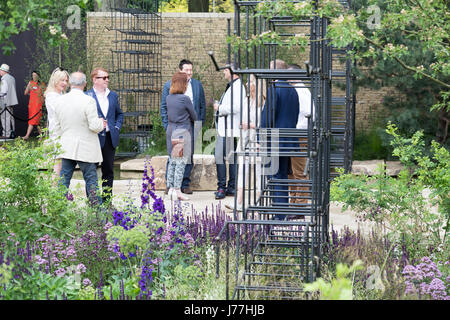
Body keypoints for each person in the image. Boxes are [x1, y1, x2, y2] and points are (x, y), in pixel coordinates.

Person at [53, 71, 107, 205]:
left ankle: (57, 209)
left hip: (67, 147)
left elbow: (56, 126)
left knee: (63, 181)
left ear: (70, 83)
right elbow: (94, 126)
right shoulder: (88, 101)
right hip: (86, 148)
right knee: (91, 181)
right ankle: (97, 213)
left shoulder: (60, 100)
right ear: (85, 84)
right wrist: (102, 123)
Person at [260, 59, 299, 220]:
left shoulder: (274, 88)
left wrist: (260, 136)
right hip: (289, 140)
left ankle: (279, 214)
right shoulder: (293, 90)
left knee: (275, 176)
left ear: (276, 71)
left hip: (275, 140)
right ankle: (282, 212)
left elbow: (268, 115)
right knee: (282, 175)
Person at [160, 59, 206, 195]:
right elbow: (163, 107)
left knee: (188, 156)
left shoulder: (197, 85)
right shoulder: (169, 86)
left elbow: (202, 105)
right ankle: (172, 185)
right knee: (174, 157)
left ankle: (184, 184)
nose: (189, 72)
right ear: (180, 70)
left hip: (190, 126)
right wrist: (166, 124)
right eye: (187, 70)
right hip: (178, 126)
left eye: (191, 70)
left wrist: (198, 124)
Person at [226, 74, 264, 211]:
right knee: (242, 170)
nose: (247, 85)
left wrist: (252, 125)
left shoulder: (263, 103)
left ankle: (260, 202)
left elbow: (265, 123)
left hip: (257, 140)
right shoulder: (246, 101)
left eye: (250, 82)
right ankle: (239, 202)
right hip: (244, 140)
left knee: (259, 171)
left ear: (257, 84)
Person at [86, 67, 124, 203]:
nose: (107, 80)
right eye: (104, 77)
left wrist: (116, 127)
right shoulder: (87, 96)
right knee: (91, 172)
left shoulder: (112, 95)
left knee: (108, 171)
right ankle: (94, 202)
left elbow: (119, 114)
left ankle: (107, 202)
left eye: (108, 77)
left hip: (109, 138)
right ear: (94, 79)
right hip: (93, 138)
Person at [213, 63, 247, 200]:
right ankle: (231, 187)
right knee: (231, 158)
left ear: (233, 72)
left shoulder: (238, 87)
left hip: (229, 128)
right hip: (226, 128)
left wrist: (219, 107)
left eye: (226, 70)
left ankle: (222, 187)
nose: (224, 73)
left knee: (219, 157)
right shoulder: (233, 85)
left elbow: (237, 107)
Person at [165, 71, 197, 201]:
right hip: (183, 132)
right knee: (181, 163)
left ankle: (171, 188)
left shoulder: (168, 98)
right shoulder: (185, 99)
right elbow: (194, 116)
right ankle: (178, 191)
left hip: (171, 130)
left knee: (172, 161)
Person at [287, 63, 314, 205]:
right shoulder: (301, 90)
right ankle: (295, 201)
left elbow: (306, 114)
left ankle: (300, 204)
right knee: (294, 170)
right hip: (299, 133)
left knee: (299, 171)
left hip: (300, 134)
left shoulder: (299, 91)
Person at [44, 67, 70, 179]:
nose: (64, 83)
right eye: (62, 80)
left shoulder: (61, 95)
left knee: (61, 163)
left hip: (64, 132)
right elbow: (60, 112)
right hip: (57, 132)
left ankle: (58, 189)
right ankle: (55, 190)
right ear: (55, 81)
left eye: (66, 81)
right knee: (58, 163)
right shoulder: (51, 96)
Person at [23, 71, 46, 140]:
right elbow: (25, 93)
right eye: (33, 75)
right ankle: (41, 135)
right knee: (35, 121)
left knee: (34, 120)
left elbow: (45, 94)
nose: (34, 77)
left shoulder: (42, 84)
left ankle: (27, 136)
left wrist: (42, 102)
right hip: (31, 105)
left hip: (38, 105)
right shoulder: (31, 83)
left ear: (38, 76)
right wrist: (29, 88)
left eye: (35, 75)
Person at [0, 64, 19, 139]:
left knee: (4, 117)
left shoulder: (4, 79)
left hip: (4, 100)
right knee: (11, 117)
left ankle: (6, 134)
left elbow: (3, 91)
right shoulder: (12, 78)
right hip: (12, 100)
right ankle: (13, 132)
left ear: (3, 71)